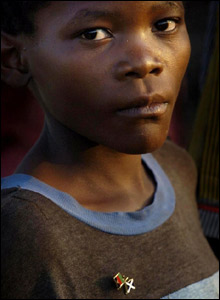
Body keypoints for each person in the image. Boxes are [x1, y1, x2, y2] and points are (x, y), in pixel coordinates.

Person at [1, 1, 219, 299]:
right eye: (93, 34)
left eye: (164, 25)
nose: (145, 62)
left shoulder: (177, 168)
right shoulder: (25, 230)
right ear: (13, 59)